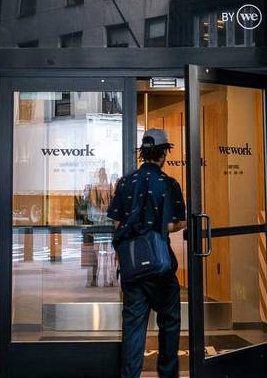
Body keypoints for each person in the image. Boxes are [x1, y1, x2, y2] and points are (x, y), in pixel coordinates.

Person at [107, 129, 186, 378]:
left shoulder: (125, 182)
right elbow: (175, 224)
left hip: (133, 268)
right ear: (163, 153)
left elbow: (117, 223)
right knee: (170, 322)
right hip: (160, 266)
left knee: (133, 328)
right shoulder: (169, 184)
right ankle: (167, 373)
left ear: (143, 153)